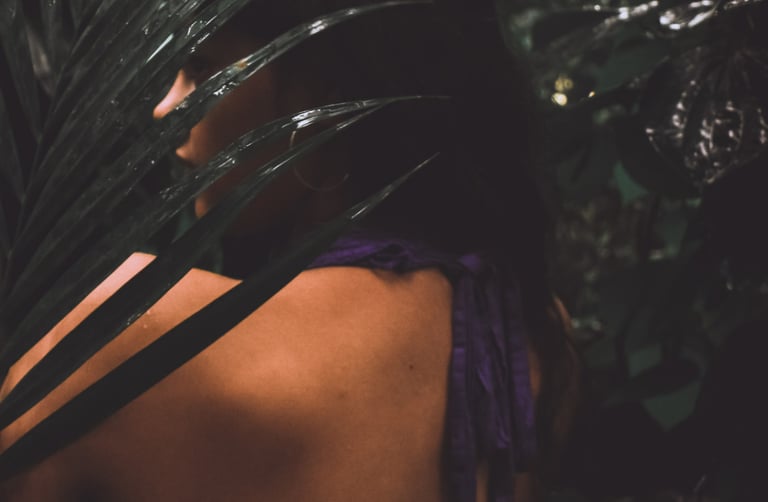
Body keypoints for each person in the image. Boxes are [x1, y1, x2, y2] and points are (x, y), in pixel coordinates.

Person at [0, 0, 579, 500]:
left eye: (200, 66)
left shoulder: (108, 329)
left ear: (320, 93)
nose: (167, 108)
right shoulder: (531, 337)